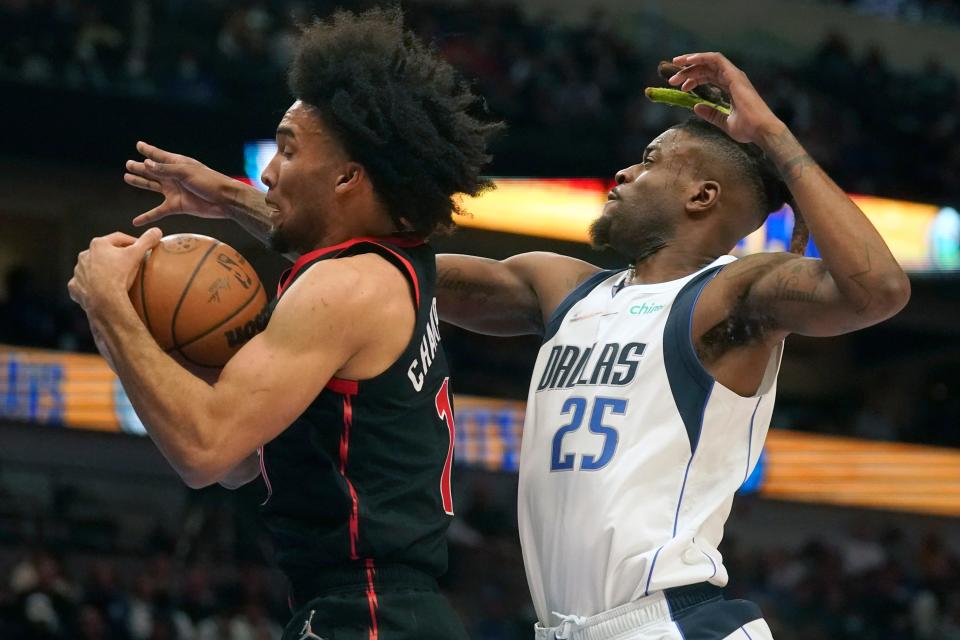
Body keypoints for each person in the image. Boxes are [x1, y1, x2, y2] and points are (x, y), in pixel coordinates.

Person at [123, 53, 910, 639]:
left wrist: (771, 136)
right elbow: (391, 270)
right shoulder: (563, 287)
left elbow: (877, 290)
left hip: (675, 622)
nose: (623, 170)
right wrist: (230, 200)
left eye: (651, 162)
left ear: (702, 195)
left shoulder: (733, 295)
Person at [70, 8, 500, 640]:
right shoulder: (395, 266)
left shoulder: (341, 287)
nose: (267, 172)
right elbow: (241, 462)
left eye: (286, 150)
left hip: (368, 615)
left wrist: (107, 306)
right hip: (378, 609)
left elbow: (205, 449)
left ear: (349, 176)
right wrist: (226, 200)